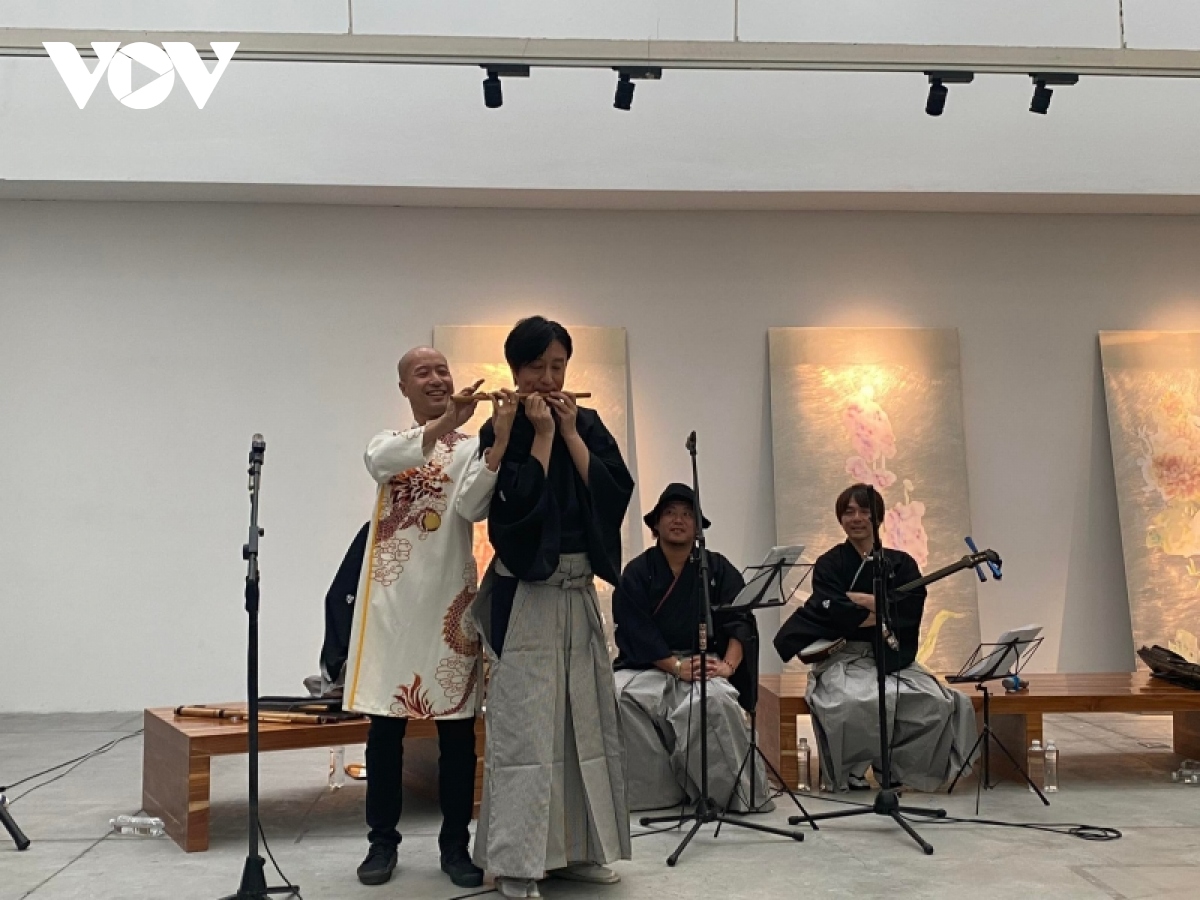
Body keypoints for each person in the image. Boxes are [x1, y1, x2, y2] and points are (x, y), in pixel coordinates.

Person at [471, 316, 634, 900]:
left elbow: (614, 492)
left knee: (583, 725)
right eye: (536, 366)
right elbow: (512, 509)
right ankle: (518, 862)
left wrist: (567, 433)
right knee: (525, 733)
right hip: (528, 595)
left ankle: (578, 851)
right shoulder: (502, 425)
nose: (548, 377)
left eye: (557, 366)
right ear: (515, 370)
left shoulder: (585, 422)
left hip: (578, 588)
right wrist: (539, 437)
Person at [344, 346, 517, 888]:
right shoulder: (390, 442)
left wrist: (499, 442)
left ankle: (455, 846)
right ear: (404, 388)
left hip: (450, 602)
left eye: (443, 370)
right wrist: (444, 423)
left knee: (458, 736)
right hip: (392, 608)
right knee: (385, 732)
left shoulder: (469, 449)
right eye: (424, 373)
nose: (437, 378)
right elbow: (380, 464)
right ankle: (381, 843)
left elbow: (472, 507)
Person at [774, 483, 976, 792]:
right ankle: (852, 770)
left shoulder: (901, 563)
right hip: (844, 657)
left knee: (935, 702)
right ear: (841, 519)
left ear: (878, 517)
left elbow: (909, 609)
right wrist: (883, 608)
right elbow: (834, 612)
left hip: (890, 655)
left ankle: (896, 766)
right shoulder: (830, 563)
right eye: (849, 512)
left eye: (864, 511)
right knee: (853, 701)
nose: (856, 518)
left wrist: (866, 602)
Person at [611, 483, 773, 813]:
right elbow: (634, 628)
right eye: (670, 513)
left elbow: (740, 621)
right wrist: (675, 666)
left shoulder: (717, 568)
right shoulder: (638, 572)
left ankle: (734, 794)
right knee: (619, 696)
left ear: (698, 527)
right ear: (656, 524)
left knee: (714, 701)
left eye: (687, 514)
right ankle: (656, 794)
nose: (678, 520)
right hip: (652, 663)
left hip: (705, 661)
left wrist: (728, 666)